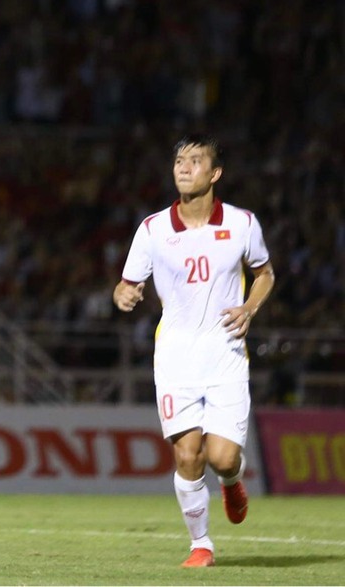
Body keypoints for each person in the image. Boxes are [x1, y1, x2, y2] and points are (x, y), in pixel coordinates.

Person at [113, 134, 275, 568]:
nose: (183, 167)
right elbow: (126, 283)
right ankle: (201, 545)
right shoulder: (153, 229)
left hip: (225, 354)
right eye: (179, 161)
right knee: (188, 455)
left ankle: (232, 480)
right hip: (175, 358)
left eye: (195, 161)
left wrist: (250, 308)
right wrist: (124, 294)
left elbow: (265, 274)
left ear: (215, 173)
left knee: (222, 458)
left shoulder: (242, 224)